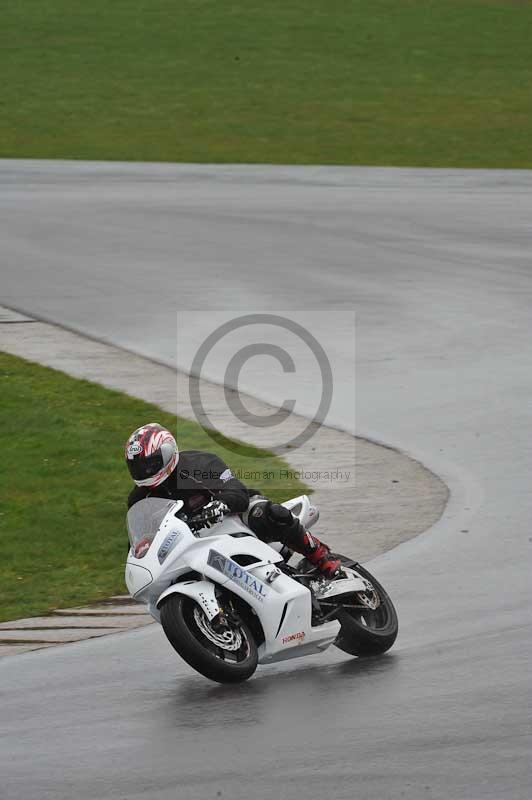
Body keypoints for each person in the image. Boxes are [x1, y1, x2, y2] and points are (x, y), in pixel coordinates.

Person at [125, 422, 342, 578]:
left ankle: (320, 556)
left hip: (233, 518)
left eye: (150, 464)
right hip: (190, 544)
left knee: (265, 513)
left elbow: (237, 492)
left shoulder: (199, 464)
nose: (145, 471)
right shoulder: (139, 499)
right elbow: (139, 541)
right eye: (138, 466)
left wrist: (220, 505)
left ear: (168, 453)